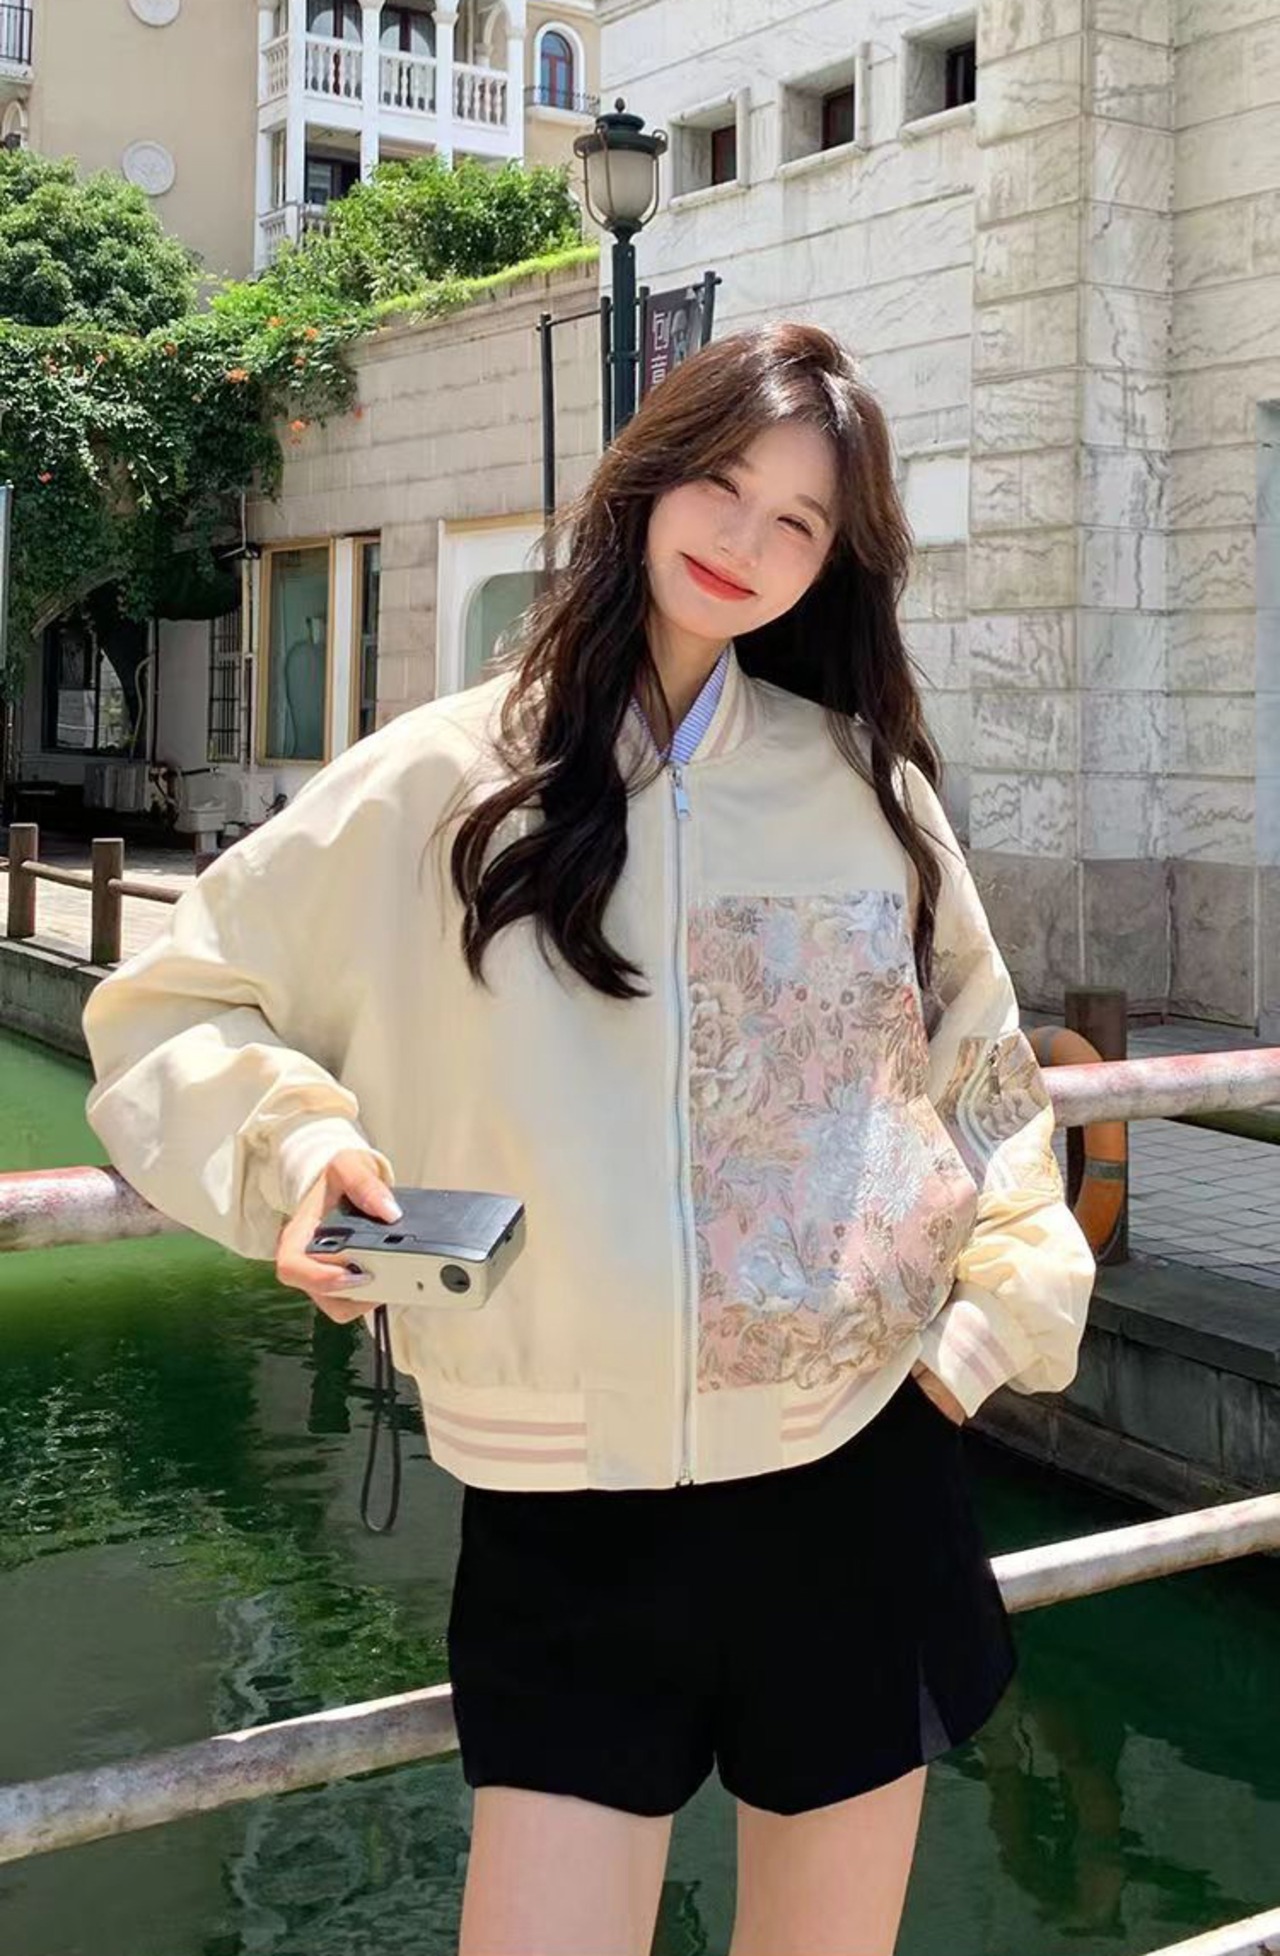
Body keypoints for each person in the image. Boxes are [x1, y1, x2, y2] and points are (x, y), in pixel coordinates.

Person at [81, 321, 1097, 1956]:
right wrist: (297, 1156)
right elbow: (169, 1003)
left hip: (855, 1477)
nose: (746, 540)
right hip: (560, 1505)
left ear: (833, 563)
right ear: (648, 476)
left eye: (799, 521)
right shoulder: (439, 780)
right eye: (722, 483)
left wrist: (975, 1343)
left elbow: (983, 1083)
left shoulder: (865, 791)